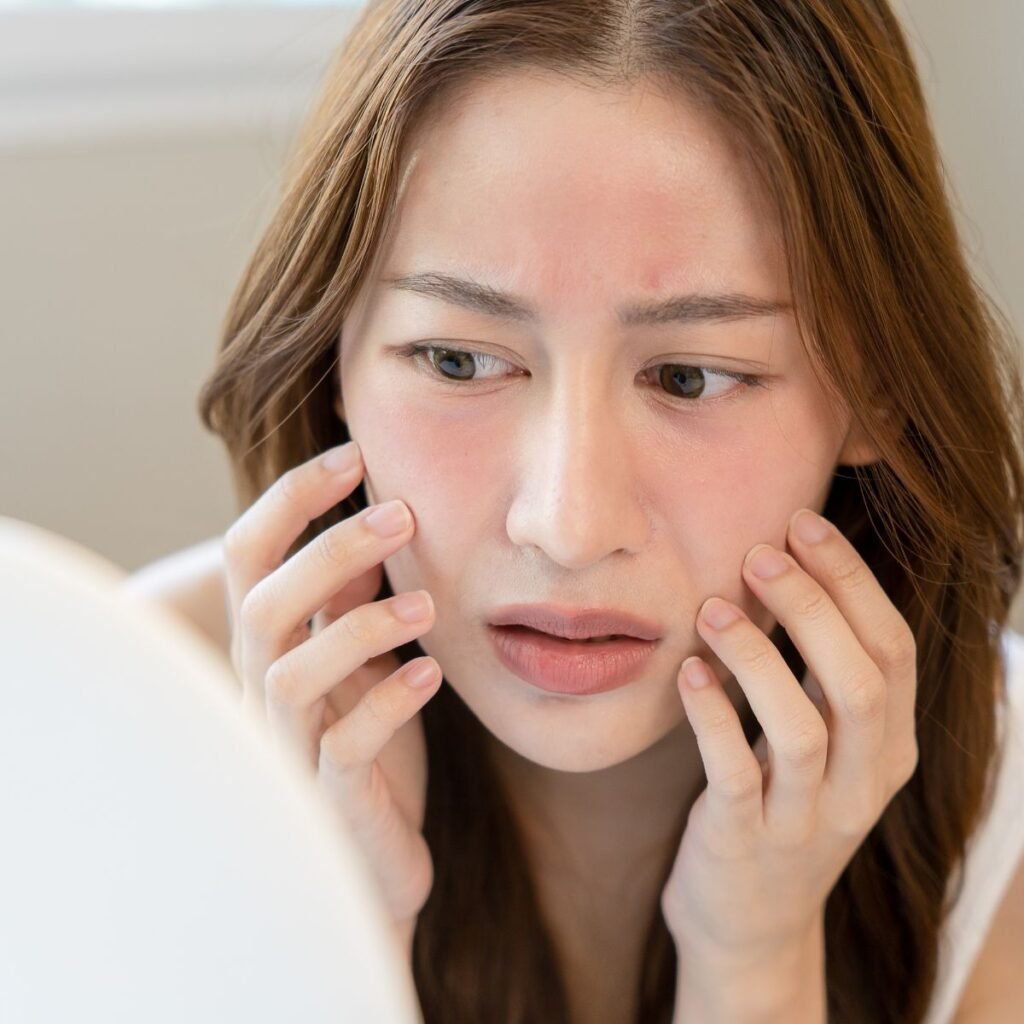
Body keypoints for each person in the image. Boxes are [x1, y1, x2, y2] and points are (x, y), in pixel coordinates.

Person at [123, 2, 1024, 1022]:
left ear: (876, 390)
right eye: (458, 360)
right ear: (331, 357)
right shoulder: (116, 720)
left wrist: (756, 959)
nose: (567, 523)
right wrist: (327, 928)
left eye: (688, 377)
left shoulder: (1008, 843)